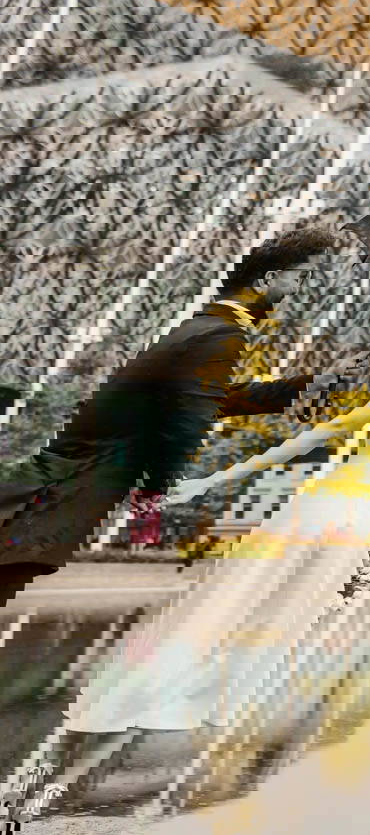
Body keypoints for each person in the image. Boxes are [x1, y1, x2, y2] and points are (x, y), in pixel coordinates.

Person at [0, 230, 344, 607]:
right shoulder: (221, 334)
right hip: (72, 487)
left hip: (56, 478)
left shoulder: (198, 322)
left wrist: (306, 386)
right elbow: (188, 418)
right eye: (299, 279)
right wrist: (153, 494)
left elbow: (195, 399)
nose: (298, 291)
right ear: (268, 280)